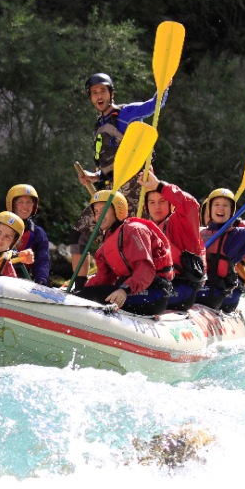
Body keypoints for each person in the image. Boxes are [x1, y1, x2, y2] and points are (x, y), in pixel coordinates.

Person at [69, 72, 168, 290]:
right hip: (113, 190)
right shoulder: (99, 124)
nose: (99, 96)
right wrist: (94, 176)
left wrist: (164, 86)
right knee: (79, 233)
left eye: (103, 91)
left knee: (131, 238)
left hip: (135, 187)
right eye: (94, 93)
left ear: (112, 93)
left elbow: (154, 105)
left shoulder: (126, 114)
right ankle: (79, 288)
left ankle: (142, 284)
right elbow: (110, 166)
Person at [75, 190, 175, 316]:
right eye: (96, 212)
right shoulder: (107, 244)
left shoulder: (134, 230)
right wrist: (80, 292)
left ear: (118, 210)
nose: (98, 215)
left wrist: (124, 290)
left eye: (104, 210)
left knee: (92, 295)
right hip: (133, 290)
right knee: (88, 293)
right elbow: (103, 278)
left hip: (154, 293)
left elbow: (145, 270)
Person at [196, 187, 245, 312]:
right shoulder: (198, 233)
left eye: (225, 205)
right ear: (209, 210)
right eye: (216, 204)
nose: (221, 208)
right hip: (197, 287)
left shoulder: (237, 235)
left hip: (217, 293)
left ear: (232, 211)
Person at [138, 171, 206, 311]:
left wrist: (159, 186)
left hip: (181, 287)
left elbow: (191, 205)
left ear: (171, 205)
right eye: (152, 203)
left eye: (162, 201)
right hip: (156, 284)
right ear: (146, 207)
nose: (157, 207)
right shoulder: (143, 229)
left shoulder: (180, 222)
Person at [6, 184, 50, 285]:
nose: (25, 206)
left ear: (34, 205)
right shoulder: (0, 226)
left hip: (22, 279)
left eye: (29, 202)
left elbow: (42, 260)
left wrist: (41, 279)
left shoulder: (38, 233)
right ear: (12, 204)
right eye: (20, 202)